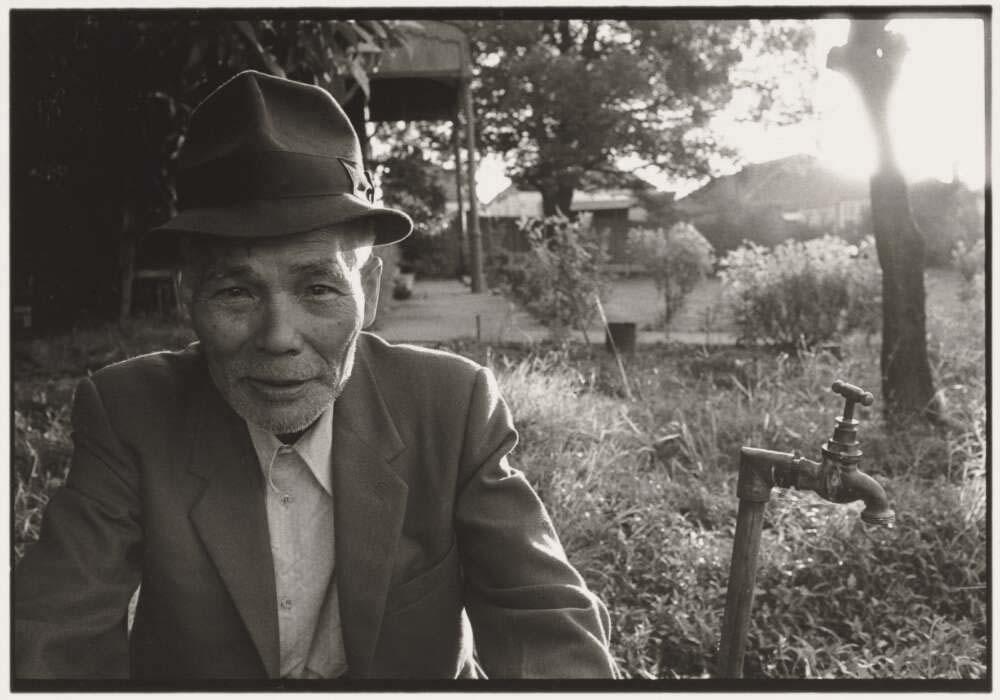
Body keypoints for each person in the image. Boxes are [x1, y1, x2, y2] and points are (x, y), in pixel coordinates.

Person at [13, 70, 617, 681]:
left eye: (319, 287)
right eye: (235, 291)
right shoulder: (129, 412)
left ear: (370, 291)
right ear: (187, 298)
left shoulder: (452, 407)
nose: (278, 337)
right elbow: (53, 629)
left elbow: (541, 615)